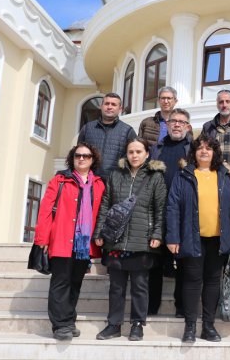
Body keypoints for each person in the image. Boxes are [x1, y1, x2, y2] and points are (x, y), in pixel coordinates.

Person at [93, 138, 167, 342]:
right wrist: (99, 232)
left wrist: (157, 235)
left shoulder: (155, 177)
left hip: (142, 239)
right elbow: (105, 205)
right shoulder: (116, 175)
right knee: (116, 286)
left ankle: (137, 324)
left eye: (138, 151)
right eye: (131, 151)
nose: (134, 155)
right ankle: (114, 324)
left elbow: (160, 209)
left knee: (140, 285)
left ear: (147, 154)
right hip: (116, 239)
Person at [165, 135, 230, 343]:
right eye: (200, 148)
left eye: (208, 148)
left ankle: (208, 326)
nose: (204, 151)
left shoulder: (223, 175)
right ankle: (190, 326)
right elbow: (172, 208)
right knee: (192, 281)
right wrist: (172, 237)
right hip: (191, 238)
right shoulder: (184, 175)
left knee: (213, 282)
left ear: (215, 152)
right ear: (194, 153)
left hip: (217, 239)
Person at [33, 143, 106, 340]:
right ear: (72, 159)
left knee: (75, 283)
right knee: (60, 282)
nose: (81, 159)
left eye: (86, 156)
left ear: (93, 159)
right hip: (61, 240)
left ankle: (68, 319)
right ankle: (60, 325)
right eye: (77, 155)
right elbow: (46, 210)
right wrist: (42, 239)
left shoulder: (99, 183)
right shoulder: (60, 180)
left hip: (84, 244)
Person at [148, 108, 194, 317]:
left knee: (183, 262)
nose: (176, 125)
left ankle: (182, 307)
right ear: (167, 125)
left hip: (184, 214)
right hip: (157, 212)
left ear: (187, 126)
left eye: (181, 122)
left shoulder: (193, 149)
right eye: (173, 121)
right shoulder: (156, 148)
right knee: (155, 263)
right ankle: (151, 306)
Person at [78, 92, 137, 179]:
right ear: (101, 106)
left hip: (115, 184)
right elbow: (78, 154)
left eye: (113, 104)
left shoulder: (128, 131)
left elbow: (135, 158)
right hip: (88, 181)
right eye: (106, 104)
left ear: (120, 109)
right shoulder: (87, 128)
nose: (109, 107)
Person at [200, 89, 230, 174]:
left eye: (228, 101)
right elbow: (201, 151)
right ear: (217, 105)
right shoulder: (208, 127)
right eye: (221, 102)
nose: (224, 105)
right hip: (214, 175)